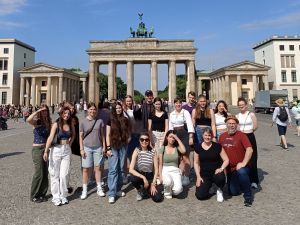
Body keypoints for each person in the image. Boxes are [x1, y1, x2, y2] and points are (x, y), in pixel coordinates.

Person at [43, 107, 75, 206]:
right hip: (56, 149)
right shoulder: (56, 124)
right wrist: (46, 151)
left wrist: (69, 144)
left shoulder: (71, 124)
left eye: (68, 114)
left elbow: (73, 135)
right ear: (61, 114)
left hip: (66, 150)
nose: (67, 115)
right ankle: (56, 197)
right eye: (65, 113)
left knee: (64, 174)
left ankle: (63, 195)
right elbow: (51, 137)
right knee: (54, 174)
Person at [219, 115, 253, 207]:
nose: (231, 125)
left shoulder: (242, 135)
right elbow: (219, 153)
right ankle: (241, 183)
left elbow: (250, 150)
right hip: (229, 168)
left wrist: (243, 163)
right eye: (229, 123)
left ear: (237, 125)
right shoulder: (222, 136)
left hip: (241, 167)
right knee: (233, 192)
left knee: (241, 172)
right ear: (226, 124)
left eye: (233, 123)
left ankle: (248, 196)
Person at [106, 102, 131, 204]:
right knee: (113, 169)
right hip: (113, 145)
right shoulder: (110, 120)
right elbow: (107, 134)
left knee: (121, 168)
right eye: (116, 108)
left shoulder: (125, 119)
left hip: (123, 146)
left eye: (120, 108)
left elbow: (129, 131)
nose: (118, 109)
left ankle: (118, 189)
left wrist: (128, 139)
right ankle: (111, 193)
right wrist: (108, 148)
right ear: (113, 109)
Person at [194, 127, 229, 202]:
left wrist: (221, 168)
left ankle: (219, 189)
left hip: (216, 173)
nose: (207, 137)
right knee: (200, 196)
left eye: (209, 135)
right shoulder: (197, 147)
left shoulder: (217, 146)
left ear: (212, 136)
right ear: (202, 136)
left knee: (220, 177)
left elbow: (226, 160)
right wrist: (198, 177)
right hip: (204, 175)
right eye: (206, 135)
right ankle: (211, 187)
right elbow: (196, 163)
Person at [79, 103, 106, 200]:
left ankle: (99, 187)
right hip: (87, 147)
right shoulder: (83, 122)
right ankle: (84, 189)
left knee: (98, 168)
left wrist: (104, 146)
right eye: (91, 109)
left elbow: (102, 135)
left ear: (96, 110)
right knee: (86, 169)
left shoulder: (100, 121)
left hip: (98, 147)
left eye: (94, 109)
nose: (92, 111)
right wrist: (81, 149)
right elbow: (81, 136)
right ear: (88, 110)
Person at [27, 103, 51, 203]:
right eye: (43, 111)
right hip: (37, 150)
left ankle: (42, 193)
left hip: (45, 149)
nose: (44, 112)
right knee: (39, 173)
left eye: (46, 110)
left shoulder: (48, 121)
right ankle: (33, 195)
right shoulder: (36, 121)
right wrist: (37, 111)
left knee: (45, 172)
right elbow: (28, 120)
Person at [129, 132, 163, 202]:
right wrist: (143, 177)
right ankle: (139, 190)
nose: (144, 141)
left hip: (150, 175)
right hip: (140, 175)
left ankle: (146, 190)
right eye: (142, 139)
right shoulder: (136, 150)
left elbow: (156, 169)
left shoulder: (153, 151)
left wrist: (153, 183)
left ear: (149, 141)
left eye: (146, 140)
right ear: (139, 141)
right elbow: (131, 169)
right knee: (132, 178)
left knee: (158, 198)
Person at [169, 97, 194, 186]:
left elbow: (190, 124)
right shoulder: (171, 114)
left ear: (181, 104)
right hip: (175, 134)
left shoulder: (185, 112)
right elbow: (170, 127)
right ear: (174, 104)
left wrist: (191, 137)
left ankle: (186, 176)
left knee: (185, 156)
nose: (178, 104)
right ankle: (180, 175)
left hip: (184, 133)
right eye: (176, 103)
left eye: (179, 103)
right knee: (178, 156)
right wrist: (170, 137)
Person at [236, 97, 259, 189]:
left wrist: (249, 131)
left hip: (250, 136)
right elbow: (237, 127)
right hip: (241, 137)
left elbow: (256, 126)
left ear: (246, 105)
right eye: (239, 105)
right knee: (242, 157)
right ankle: (244, 179)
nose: (241, 106)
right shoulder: (237, 116)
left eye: (243, 105)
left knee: (253, 158)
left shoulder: (251, 114)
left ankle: (254, 180)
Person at [158, 130, 185, 199]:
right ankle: (167, 190)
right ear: (167, 137)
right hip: (165, 169)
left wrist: (177, 138)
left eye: (174, 138)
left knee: (178, 191)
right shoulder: (162, 148)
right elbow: (160, 164)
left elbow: (184, 151)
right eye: (170, 137)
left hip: (175, 170)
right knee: (167, 182)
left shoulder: (177, 147)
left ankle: (171, 187)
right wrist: (160, 175)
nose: (172, 139)